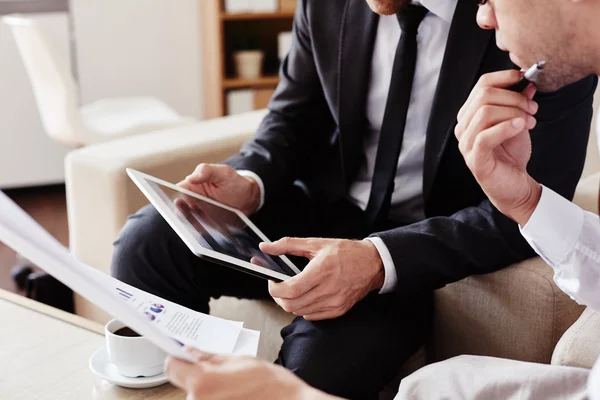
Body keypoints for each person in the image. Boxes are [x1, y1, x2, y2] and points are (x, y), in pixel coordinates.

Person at [111, 0, 596, 398]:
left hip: (416, 248)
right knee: (146, 241)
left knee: (318, 364)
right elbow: (292, 117)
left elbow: (530, 203)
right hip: (323, 209)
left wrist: (377, 259)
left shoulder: (537, 28)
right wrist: (249, 179)